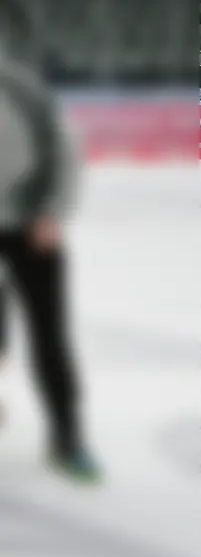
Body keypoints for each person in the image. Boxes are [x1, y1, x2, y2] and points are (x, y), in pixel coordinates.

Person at [0, 56, 94, 479]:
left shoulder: (20, 87)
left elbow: (62, 148)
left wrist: (52, 213)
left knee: (48, 337)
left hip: (31, 227)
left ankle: (66, 438)